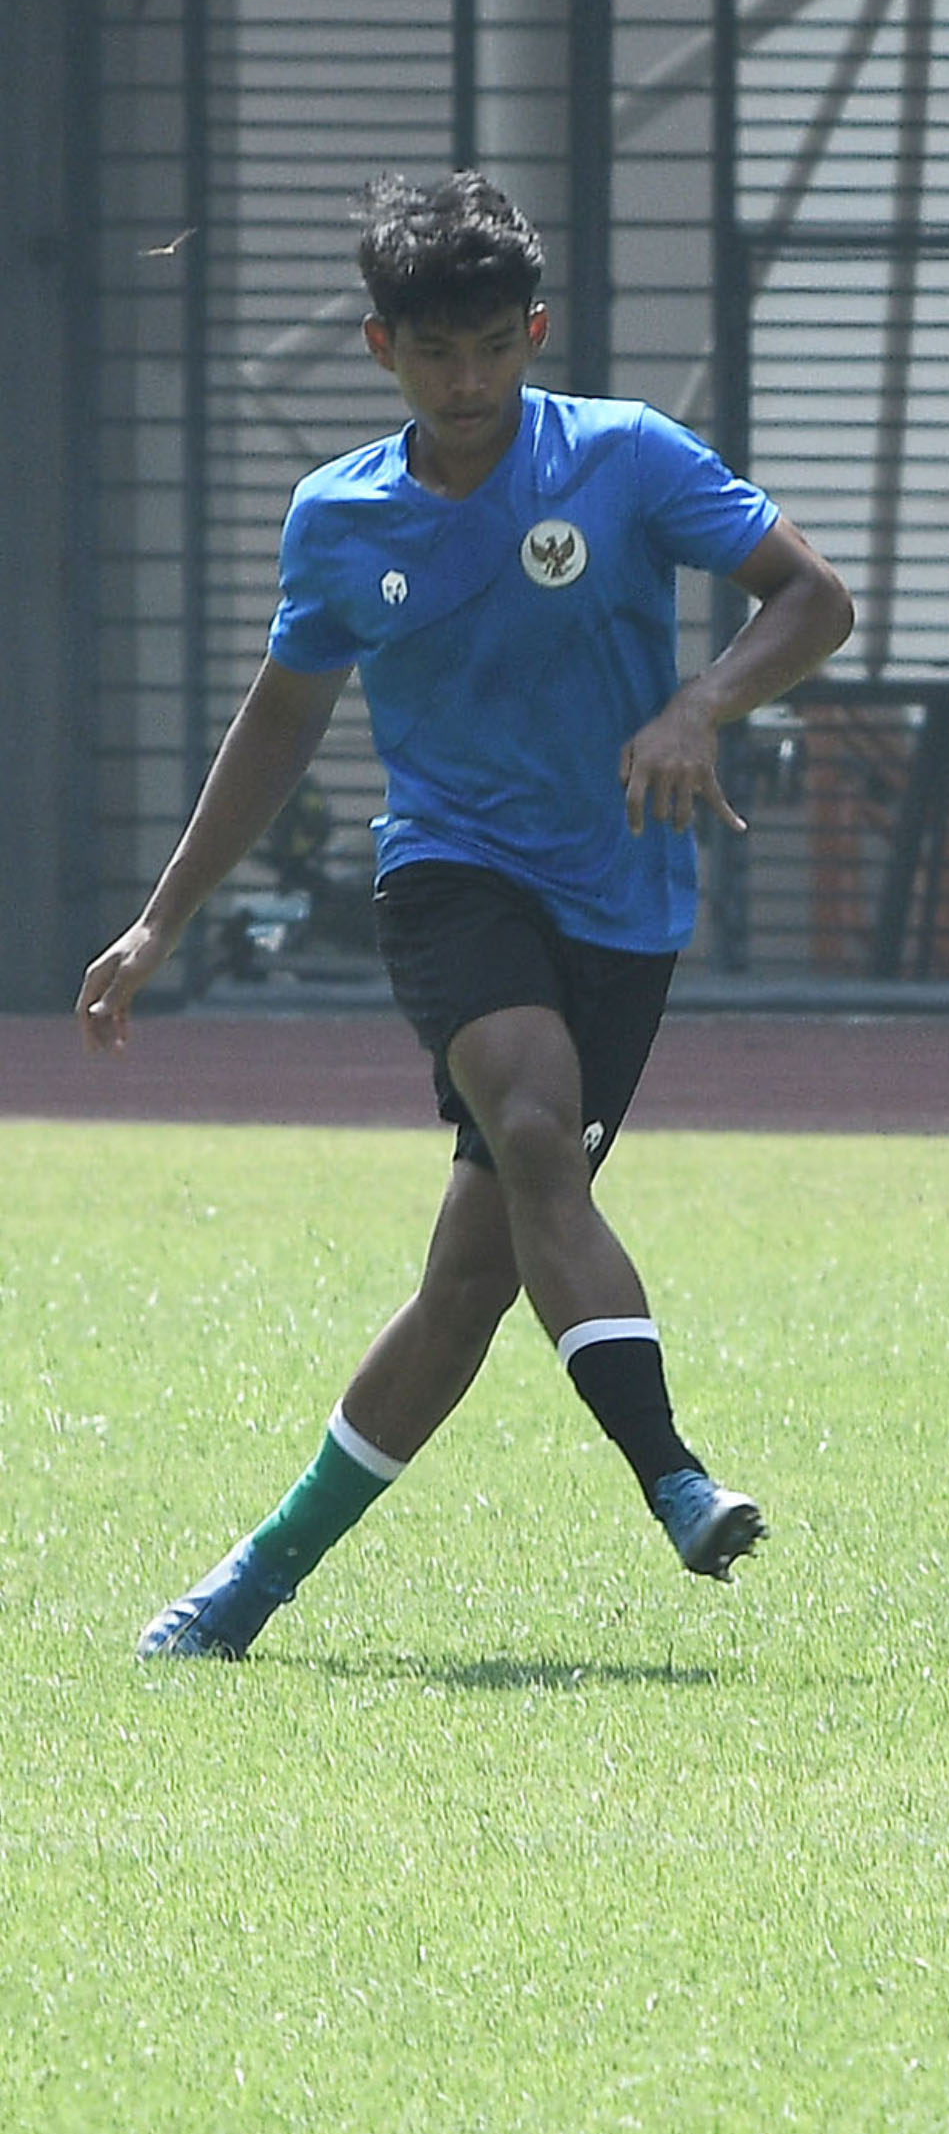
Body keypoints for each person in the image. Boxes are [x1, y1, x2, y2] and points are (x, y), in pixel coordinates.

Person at [80, 172, 856, 1658]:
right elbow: (282, 721)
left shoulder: (624, 458)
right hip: (448, 870)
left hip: (625, 895)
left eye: (496, 346)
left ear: (533, 330)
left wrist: (701, 704)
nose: (470, 380)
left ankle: (247, 1585)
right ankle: (676, 1478)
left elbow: (810, 598)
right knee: (532, 1124)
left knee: (470, 1281)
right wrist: (162, 919)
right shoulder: (337, 518)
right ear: (383, 350)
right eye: (438, 354)